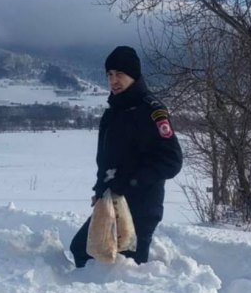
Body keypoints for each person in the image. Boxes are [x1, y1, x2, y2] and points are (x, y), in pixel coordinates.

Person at [70, 46, 183, 267]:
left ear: (133, 75)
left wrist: (130, 181)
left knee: (125, 270)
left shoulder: (151, 111)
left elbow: (171, 161)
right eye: (109, 75)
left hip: (142, 206)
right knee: (83, 251)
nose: (114, 80)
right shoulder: (113, 112)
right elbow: (107, 159)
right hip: (111, 201)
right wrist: (100, 188)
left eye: (120, 74)